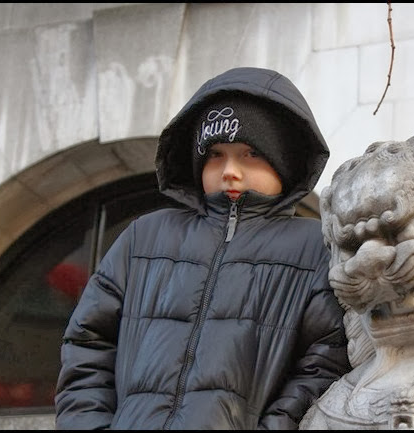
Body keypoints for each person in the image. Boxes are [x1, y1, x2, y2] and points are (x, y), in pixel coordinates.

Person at [54, 66, 351, 430]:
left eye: (251, 153)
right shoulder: (145, 237)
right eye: (215, 154)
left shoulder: (314, 247)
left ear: (285, 162)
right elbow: (88, 342)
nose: (230, 170)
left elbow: (325, 362)